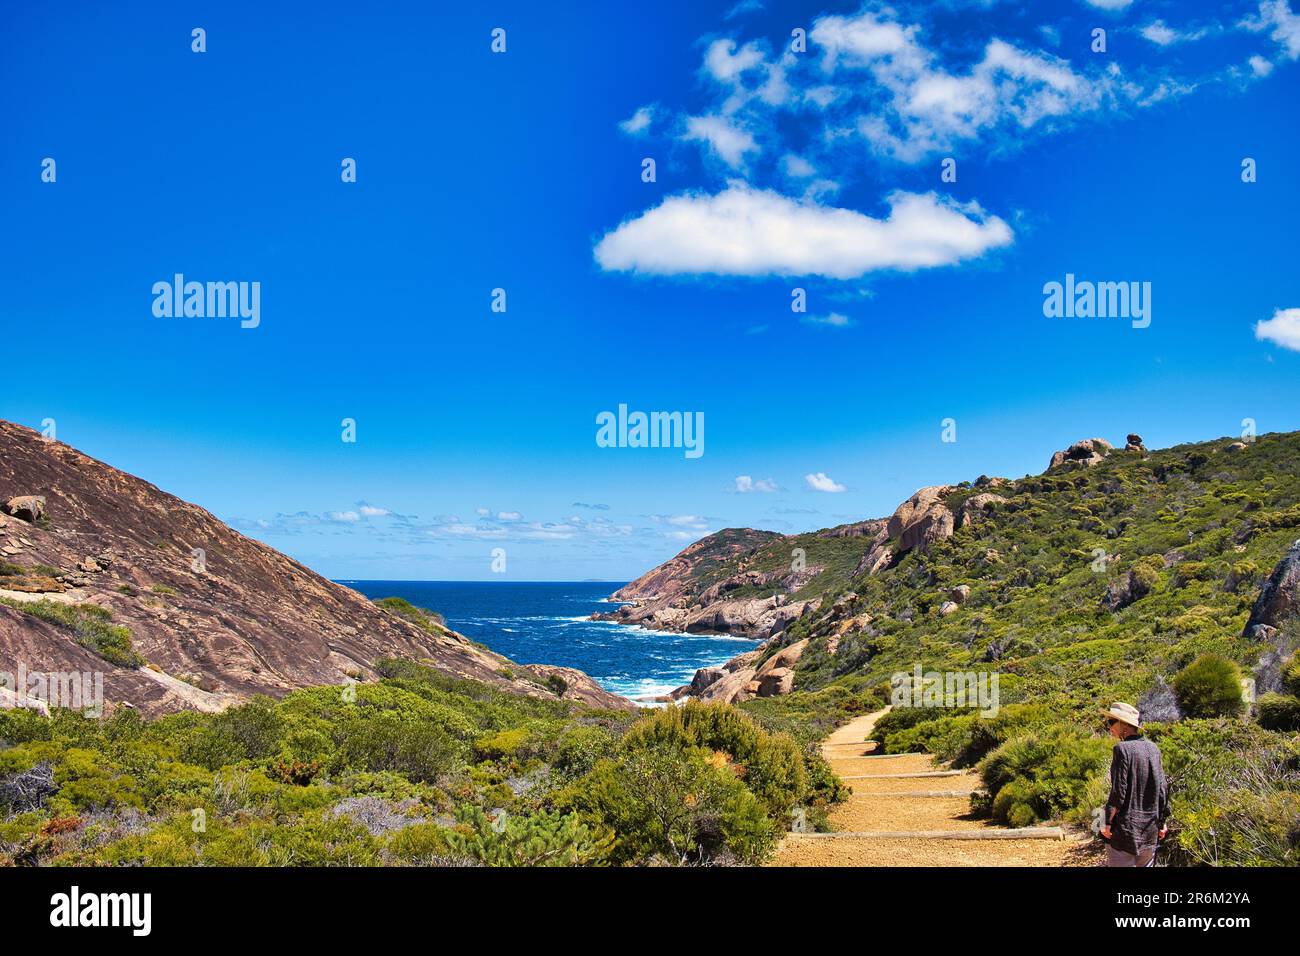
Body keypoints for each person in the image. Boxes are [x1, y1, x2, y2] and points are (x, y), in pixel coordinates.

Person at [1099, 701, 1169, 866]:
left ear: (1124, 724)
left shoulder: (1122, 749)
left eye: (1111, 722)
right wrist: (1162, 821)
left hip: (1125, 831)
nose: (1109, 727)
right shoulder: (1154, 749)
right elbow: (1162, 789)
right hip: (1150, 829)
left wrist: (1107, 822)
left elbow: (1118, 792)